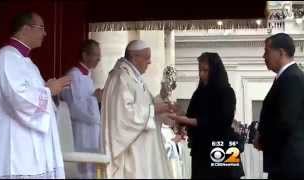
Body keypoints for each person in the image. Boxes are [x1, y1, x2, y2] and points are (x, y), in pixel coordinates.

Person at [0, 11, 71, 178]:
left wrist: (48, 90)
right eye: (41, 28)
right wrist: (49, 90)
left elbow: (30, 96)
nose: (45, 33)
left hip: (32, 146)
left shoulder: (27, 62)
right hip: (17, 149)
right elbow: (17, 99)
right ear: (25, 29)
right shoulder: (6, 58)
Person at [101, 40, 173, 178]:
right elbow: (123, 115)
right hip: (132, 153)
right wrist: (153, 110)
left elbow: (147, 103)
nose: (150, 61)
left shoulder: (134, 77)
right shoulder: (120, 77)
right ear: (134, 57)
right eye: (146, 57)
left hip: (144, 150)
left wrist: (164, 105)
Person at [168, 52, 244, 179]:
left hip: (222, 146)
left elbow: (220, 122)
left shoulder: (226, 92)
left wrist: (187, 120)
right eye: (199, 70)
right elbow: (190, 116)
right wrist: (179, 114)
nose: (201, 74)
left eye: (205, 70)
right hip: (201, 149)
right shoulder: (199, 93)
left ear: (215, 71)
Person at [253, 33, 304, 178]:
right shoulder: (286, 77)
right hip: (284, 161)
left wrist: (262, 139)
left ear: (281, 52)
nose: (264, 56)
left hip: (289, 163)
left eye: (267, 51)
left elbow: (286, 122)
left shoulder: (292, 78)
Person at [61, 39, 102, 178]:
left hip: (91, 132)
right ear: (85, 55)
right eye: (96, 55)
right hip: (80, 131)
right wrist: (95, 99)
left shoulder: (88, 77)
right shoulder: (73, 75)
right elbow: (74, 107)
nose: (99, 59)